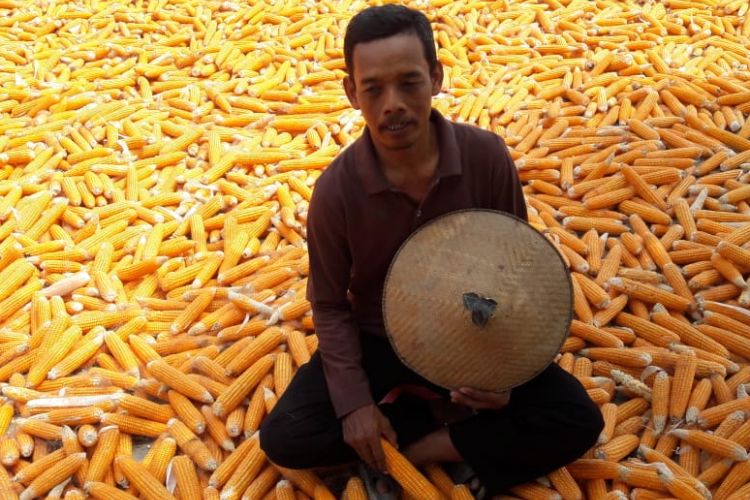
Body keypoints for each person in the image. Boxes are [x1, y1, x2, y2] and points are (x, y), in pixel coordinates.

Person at [259, 4, 604, 497]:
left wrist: (504, 372)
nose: (392, 103)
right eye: (373, 88)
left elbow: (517, 271)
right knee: (286, 437)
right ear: (352, 93)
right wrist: (355, 404)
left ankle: (421, 448)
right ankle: (439, 430)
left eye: (409, 82)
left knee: (576, 419)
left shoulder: (485, 157)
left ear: (437, 78)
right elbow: (332, 306)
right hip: (382, 338)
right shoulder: (336, 192)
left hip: (475, 329)